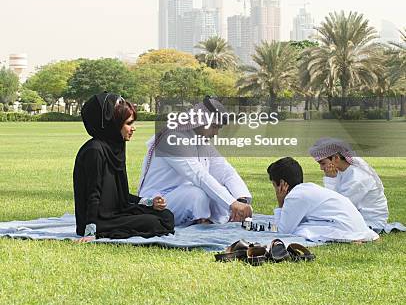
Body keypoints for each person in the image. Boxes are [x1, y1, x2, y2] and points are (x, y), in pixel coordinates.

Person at [73, 92, 174, 240]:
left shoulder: (115, 147)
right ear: (113, 124)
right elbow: (92, 194)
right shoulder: (94, 151)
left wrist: (150, 202)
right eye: (128, 123)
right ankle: (97, 230)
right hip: (98, 220)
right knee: (154, 223)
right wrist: (90, 232)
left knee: (166, 216)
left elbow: (122, 195)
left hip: (117, 212)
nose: (133, 128)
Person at [138, 97, 253, 226]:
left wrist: (241, 200)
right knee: (198, 194)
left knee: (219, 191)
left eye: (218, 128)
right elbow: (198, 175)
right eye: (213, 126)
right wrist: (232, 203)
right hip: (158, 200)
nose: (216, 133)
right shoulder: (171, 139)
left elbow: (226, 172)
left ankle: (208, 220)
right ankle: (201, 223)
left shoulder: (201, 141)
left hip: (184, 194)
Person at [267, 157, 379, 242]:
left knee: (301, 231)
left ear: (281, 183)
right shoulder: (306, 188)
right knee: (304, 226)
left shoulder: (295, 196)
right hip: (356, 225)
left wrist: (281, 203)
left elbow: (283, 232)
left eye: (274, 185)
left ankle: (350, 239)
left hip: (345, 227)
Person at [309, 138, 388, 231]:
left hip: (370, 223)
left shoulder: (357, 178)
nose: (321, 168)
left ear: (336, 158)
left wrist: (330, 180)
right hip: (352, 218)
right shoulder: (341, 172)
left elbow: (338, 207)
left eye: (323, 163)